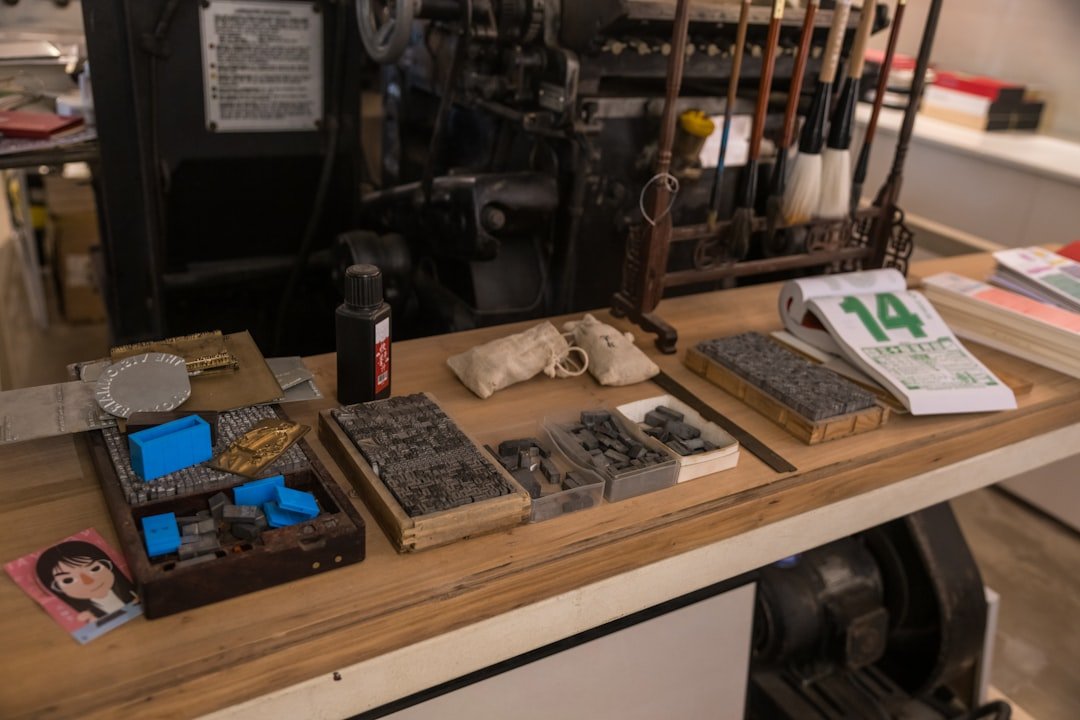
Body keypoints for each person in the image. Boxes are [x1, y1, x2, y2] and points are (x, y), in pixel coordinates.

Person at [35, 540, 138, 624]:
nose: (88, 581)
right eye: (68, 580)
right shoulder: (86, 616)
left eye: (95, 569)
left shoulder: (133, 592)